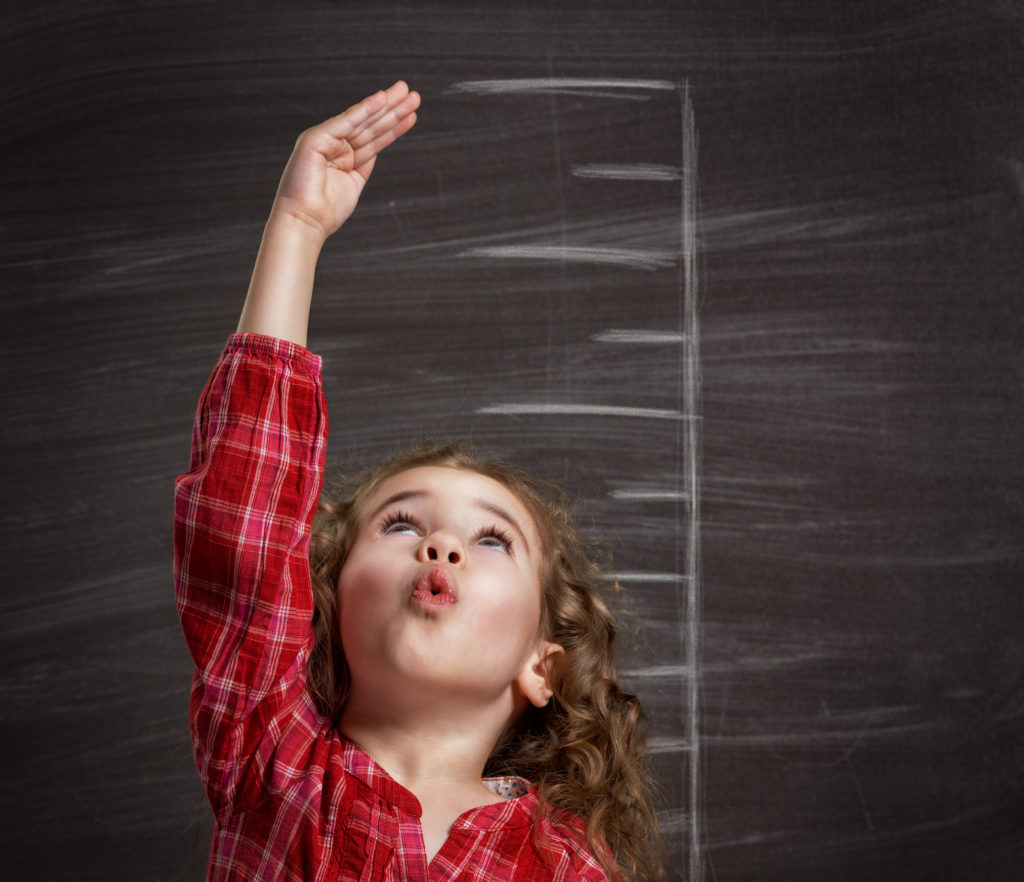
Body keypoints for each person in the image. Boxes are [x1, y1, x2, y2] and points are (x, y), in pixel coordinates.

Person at [174, 81, 662, 881]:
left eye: (492, 539)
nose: (440, 543)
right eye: (400, 525)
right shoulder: (273, 759)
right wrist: (297, 228)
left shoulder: (568, 864)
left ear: (543, 665)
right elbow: (246, 523)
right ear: (327, 610)